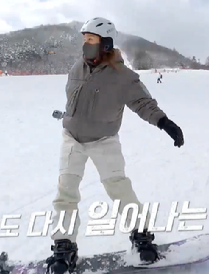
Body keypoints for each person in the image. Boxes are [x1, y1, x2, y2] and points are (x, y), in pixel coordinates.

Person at [44, 17, 184, 274]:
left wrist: (165, 123)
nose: (85, 45)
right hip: (72, 138)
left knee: (119, 187)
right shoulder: (77, 68)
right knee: (66, 193)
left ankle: (141, 236)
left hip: (104, 140)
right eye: (84, 40)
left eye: (91, 40)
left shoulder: (123, 76)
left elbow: (143, 103)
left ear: (106, 44)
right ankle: (64, 247)